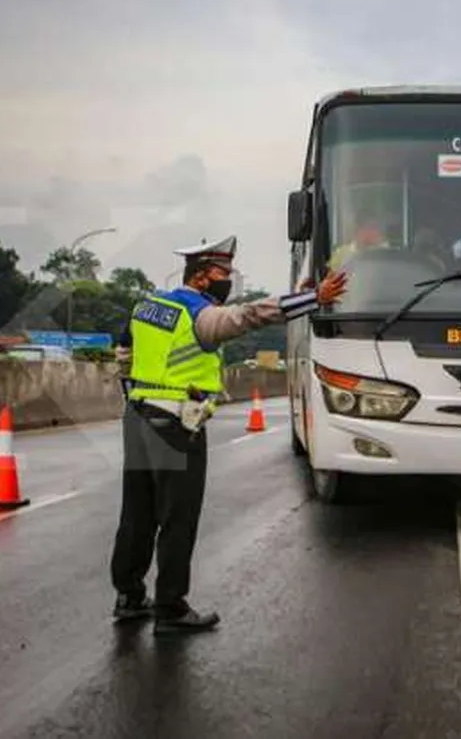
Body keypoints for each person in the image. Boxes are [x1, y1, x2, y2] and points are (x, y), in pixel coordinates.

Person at [109, 235, 349, 634]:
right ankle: (170, 609)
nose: (229, 280)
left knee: (137, 513)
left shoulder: (146, 307)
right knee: (177, 517)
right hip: (178, 424)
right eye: (224, 273)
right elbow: (250, 316)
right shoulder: (199, 316)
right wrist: (313, 299)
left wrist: (138, 390)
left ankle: (129, 597)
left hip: (137, 417)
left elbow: (124, 354)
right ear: (201, 277)